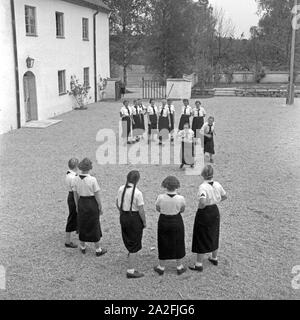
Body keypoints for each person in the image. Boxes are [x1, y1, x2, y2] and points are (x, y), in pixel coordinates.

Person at [189, 165, 227, 272]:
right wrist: (215, 201)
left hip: (205, 212)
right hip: (215, 210)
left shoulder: (203, 187)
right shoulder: (218, 184)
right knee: (214, 233)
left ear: (203, 174)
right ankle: (214, 257)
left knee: (201, 235)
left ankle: (199, 263)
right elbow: (224, 196)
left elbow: (202, 201)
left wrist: (201, 207)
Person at [72, 158, 107, 256]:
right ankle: (98, 249)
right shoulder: (92, 179)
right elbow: (97, 194)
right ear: (89, 168)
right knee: (94, 224)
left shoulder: (75, 179)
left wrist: (76, 205)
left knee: (82, 223)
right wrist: (100, 206)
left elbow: (75, 194)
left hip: (81, 202)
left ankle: (82, 246)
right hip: (91, 202)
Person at [116, 170, 146, 279]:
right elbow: (141, 210)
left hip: (123, 215)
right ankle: (131, 270)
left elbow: (117, 203)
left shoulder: (121, 189)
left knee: (127, 236)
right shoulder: (138, 193)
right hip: (134, 218)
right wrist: (144, 221)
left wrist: (122, 211)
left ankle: (130, 253)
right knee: (135, 242)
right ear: (137, 180)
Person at [154, 176, 187, 276]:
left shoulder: (160, 197)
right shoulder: (180, 198)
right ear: (176, 186)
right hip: (176, 220)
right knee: (179, 241)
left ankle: (161, 267)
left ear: (165, 185)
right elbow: (182, 210)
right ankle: (179, 266)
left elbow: (157, 208)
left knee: (163, 241)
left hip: (164, 220)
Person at [65, 158, 79, 248]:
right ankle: (67, 241)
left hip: (70, 196)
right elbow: (75, 193)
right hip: (73, 197)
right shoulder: (73, 177)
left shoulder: (68, 174)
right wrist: (77, 204)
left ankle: (78, 229)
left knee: (74, 216)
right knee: (72, 217)